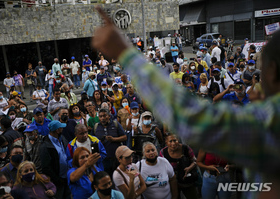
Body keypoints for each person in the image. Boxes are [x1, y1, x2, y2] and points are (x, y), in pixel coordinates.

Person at [93, 9, 280, 196]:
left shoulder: (269, 120)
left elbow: (191, 116)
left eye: (261, 71)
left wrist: (124, 52)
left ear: (271, 72)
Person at [159, 134, 198, 199]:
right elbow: (160, 167)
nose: (173, 143)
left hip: (187, 181)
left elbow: (195, 161)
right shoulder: (163, 152)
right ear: (166, 142)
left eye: (175, 140)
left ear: (178, 140)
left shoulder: (185, 148)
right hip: (172, 183)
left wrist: (189, 168)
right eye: (170, 141)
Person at [40, 120, 71, 199]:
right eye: (61, 128)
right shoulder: (45, 146)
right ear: (57, 130)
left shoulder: (62, 138)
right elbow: (46, 167)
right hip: (57, 181)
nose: (62, 129)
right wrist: (57, 179)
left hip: (66, 178)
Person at [92, 108, 127, 177]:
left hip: (116, 159)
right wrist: (99, 143)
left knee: (119, 177)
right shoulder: (96, 127)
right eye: (100, 116)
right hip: (103, 160)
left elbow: (124, 137)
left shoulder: (115, 124)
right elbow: (92, 143)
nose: (102, 118)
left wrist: (114, 139)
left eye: (104, 116)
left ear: (109, 116)